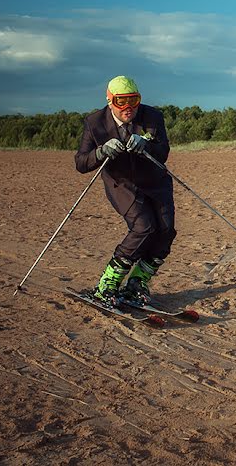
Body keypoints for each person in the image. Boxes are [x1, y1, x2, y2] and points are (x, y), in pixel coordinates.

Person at [75, 75, 176, 306]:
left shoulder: (153, 117)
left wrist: (146, 144)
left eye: (134, 100)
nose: (129, 107)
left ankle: (138, 283)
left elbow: (163, 152)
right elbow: (81, 163)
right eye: (122, 101)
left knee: (166, 231)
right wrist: (101, 152)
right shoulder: (95, 123)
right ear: (110, 100)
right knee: (143, 227)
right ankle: (107, 284)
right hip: (122, 184)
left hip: (156, 182)